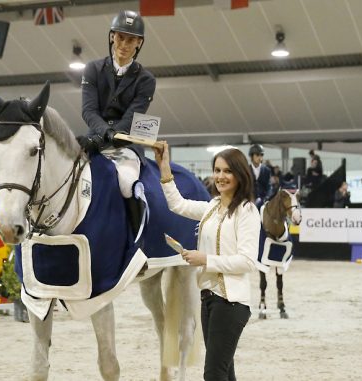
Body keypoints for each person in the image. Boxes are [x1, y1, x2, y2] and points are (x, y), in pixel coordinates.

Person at [154, 142, 259, 381]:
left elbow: (247, 262)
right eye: (217, 170)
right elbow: (177, 204)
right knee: (224, 372)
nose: (220, 176)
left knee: (213, 374)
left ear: (240, 175)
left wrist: (205, 260)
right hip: (209, 300)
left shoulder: (248, 211)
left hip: (231, 303)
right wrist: (165, 167)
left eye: (227, 171)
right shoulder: (212, 207)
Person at [79, 9, 156, 238]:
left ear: (138, 42)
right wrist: (103, 134)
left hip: (126, 146)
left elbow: (132, 116)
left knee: (127, 183)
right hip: (94, 141)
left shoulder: (146, 80)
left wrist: (111, 135)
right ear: (112, 36)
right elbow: (88, 110)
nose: (124, 44)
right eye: (120, 37)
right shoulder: (92, 69)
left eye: (130, 39)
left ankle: (137, 240)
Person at [248, 144, 271, 208]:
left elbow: (269, 186)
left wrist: (266, 197)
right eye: (257, 155)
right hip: (249, 200)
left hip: (263, 200)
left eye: (261, 155)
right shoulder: (246, 170)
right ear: (252, 156)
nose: (260, 157)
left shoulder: (267, 170)